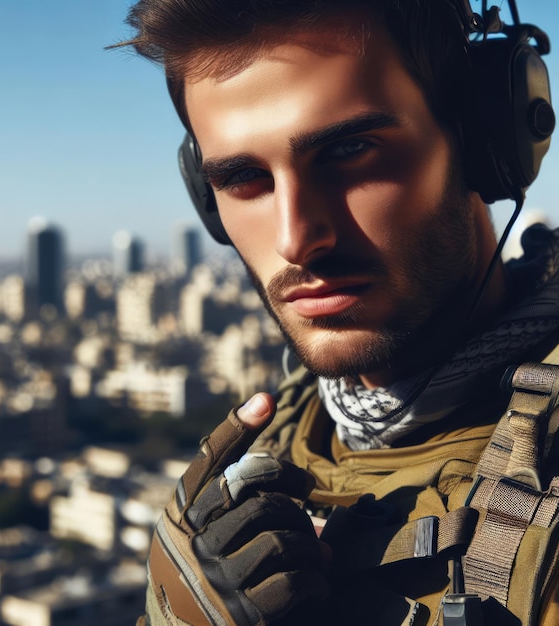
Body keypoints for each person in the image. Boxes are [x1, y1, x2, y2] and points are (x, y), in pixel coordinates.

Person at [116, 0, 559, 623]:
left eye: (350, 149)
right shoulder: (272, 447)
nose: (296, 238)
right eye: (244, 178)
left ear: (486, 138)